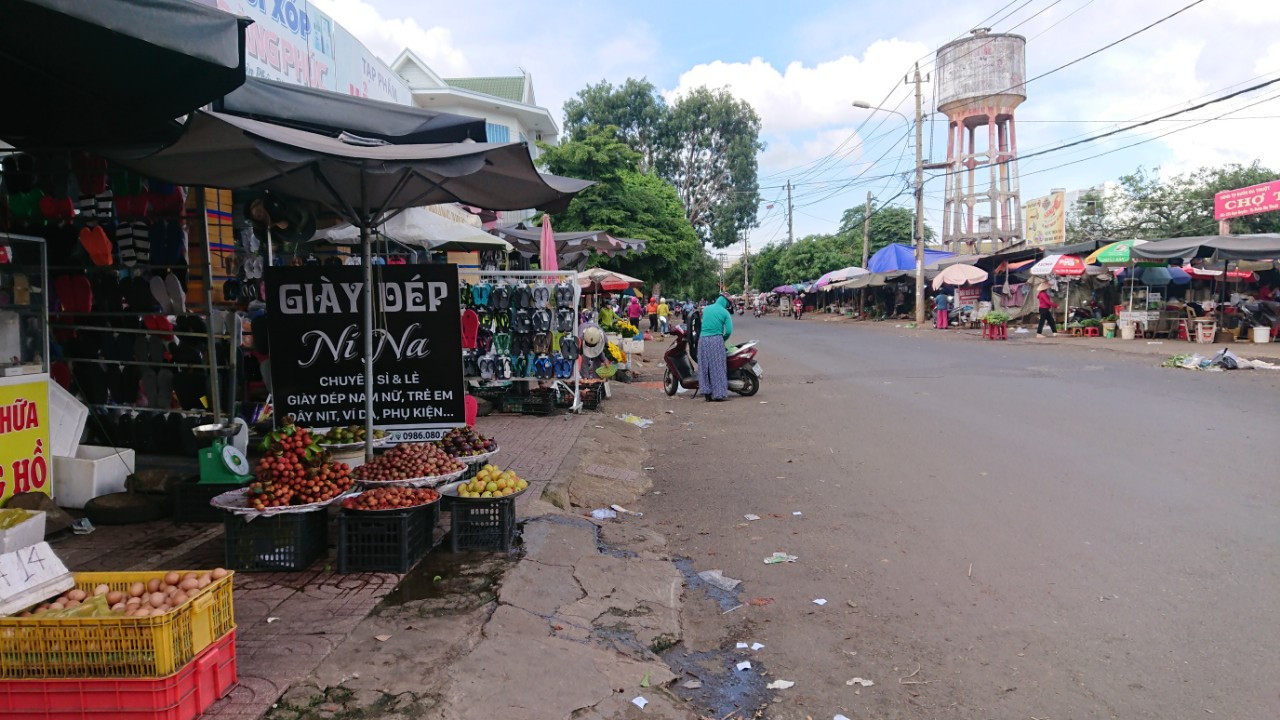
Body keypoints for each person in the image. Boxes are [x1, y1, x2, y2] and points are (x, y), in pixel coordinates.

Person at [698, 294, 733, 401]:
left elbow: (702, 323)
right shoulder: (725, 312)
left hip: (703, 340)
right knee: (718, 367)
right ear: (725, 302)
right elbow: (729, 331)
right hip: (716, 340)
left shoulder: (707, 309)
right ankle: (719, 394)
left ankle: (706, 394)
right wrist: (723, 338)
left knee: (704, 367)